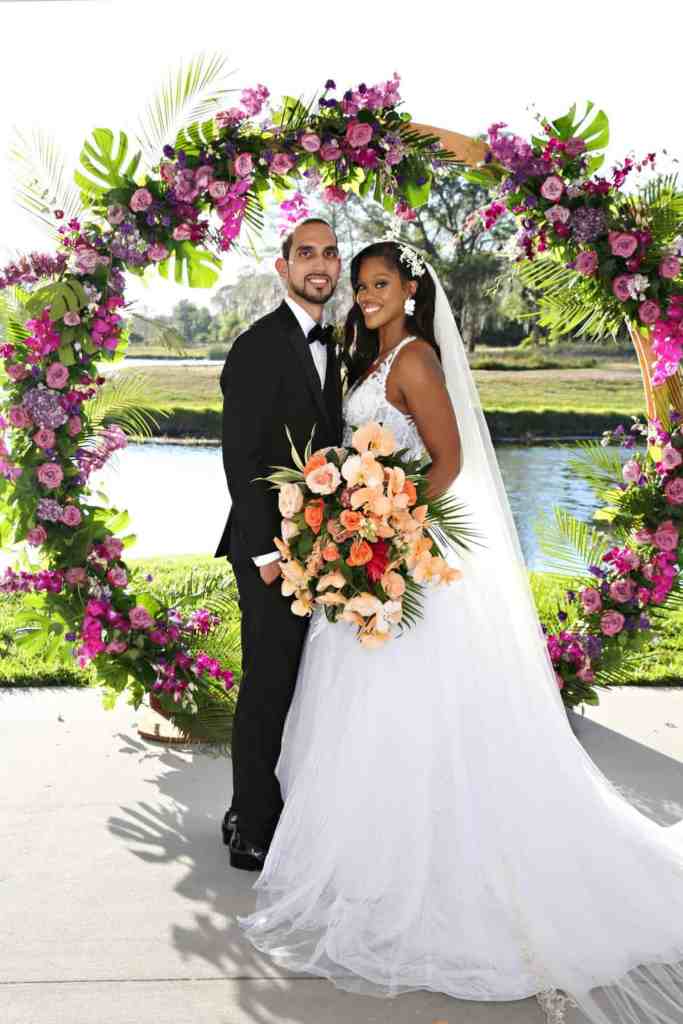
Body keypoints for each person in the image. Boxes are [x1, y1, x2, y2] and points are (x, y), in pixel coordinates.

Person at [237, 240, 683, 1024]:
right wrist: (349, 520)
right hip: (372, 553)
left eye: (381, 283)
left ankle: (435, 864)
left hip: (406, 554)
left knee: (415, 711)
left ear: (411, 290)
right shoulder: (366, 360)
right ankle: (367, 863)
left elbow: (447, 460)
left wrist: (393, 522)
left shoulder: (414, 360)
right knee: (361, 715)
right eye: (360, 284)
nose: (366, 295)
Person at [215, 218, 343, 870]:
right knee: (267, 684)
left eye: (330, 253)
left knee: (305, 683)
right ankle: (250, 825)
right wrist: (268, 554)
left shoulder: (341, 344)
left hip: (325, 547)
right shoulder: (256, 345)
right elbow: (240, 457)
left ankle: (264, 805)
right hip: (268, 552)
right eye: (306, 253)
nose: (319, 264)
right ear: (283, 266)